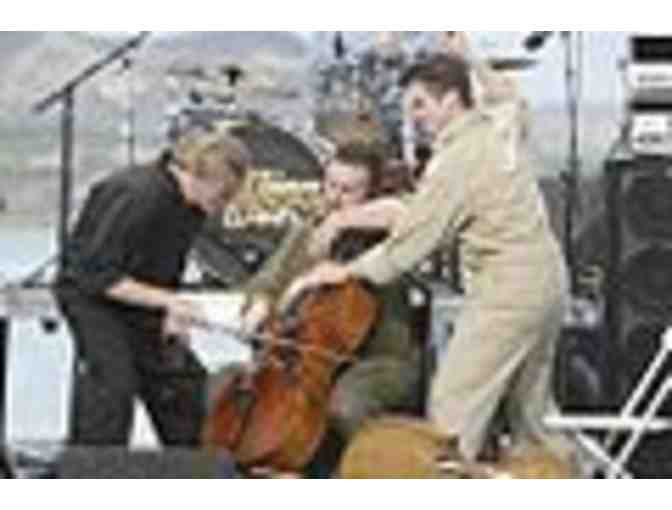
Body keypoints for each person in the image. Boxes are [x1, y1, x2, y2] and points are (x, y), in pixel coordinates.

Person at [286, 52, 578, 470]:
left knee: (452, 412)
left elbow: (411, 243)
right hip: (547, 281)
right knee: (531, 419)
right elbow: (509, 96)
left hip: (508, 291)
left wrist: (345, 271)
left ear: (451, 100)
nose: (415, 117)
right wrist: (469, 56)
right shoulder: (498, 126)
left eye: (421, 104)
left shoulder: (456, 160)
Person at [227, 142, 422, 474]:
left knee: (346, 405)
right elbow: (269, 278)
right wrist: (259, 303)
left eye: (348, 190)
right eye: (330, 185)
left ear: (372, 193)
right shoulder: (312, 227)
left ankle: (374, 472)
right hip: (309, 355)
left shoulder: (392, 236)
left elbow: (408, 213)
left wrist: (344, 228)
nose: (334, 197)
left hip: (377, 359)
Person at [55, 131, 251, 446]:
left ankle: (195, 461)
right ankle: (94, 464)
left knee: (183, 386)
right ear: (203, 176)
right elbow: (99, 275)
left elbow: (165, 267)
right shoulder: (139, 195)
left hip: (141, 296)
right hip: (92, 298)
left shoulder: (191, 208)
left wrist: (170, 312)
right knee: (113, 387)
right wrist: (169, 301)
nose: (223, 205)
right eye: (223, 194)